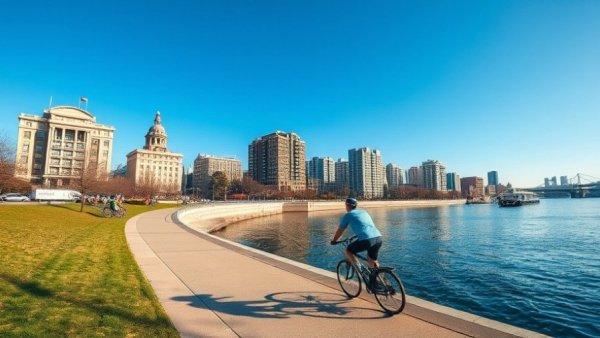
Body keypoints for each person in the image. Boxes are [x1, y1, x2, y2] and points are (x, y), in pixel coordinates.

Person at [330, 198, 383, 270]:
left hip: (367, 239)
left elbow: (340, 230)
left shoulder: (348, 215)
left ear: (347, 205)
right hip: (378, 237)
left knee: (348, 251)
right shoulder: (364, 212)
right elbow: (366, 226)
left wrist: (334, 240)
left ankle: (359, 269)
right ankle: (378, 277)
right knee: (372, 260)